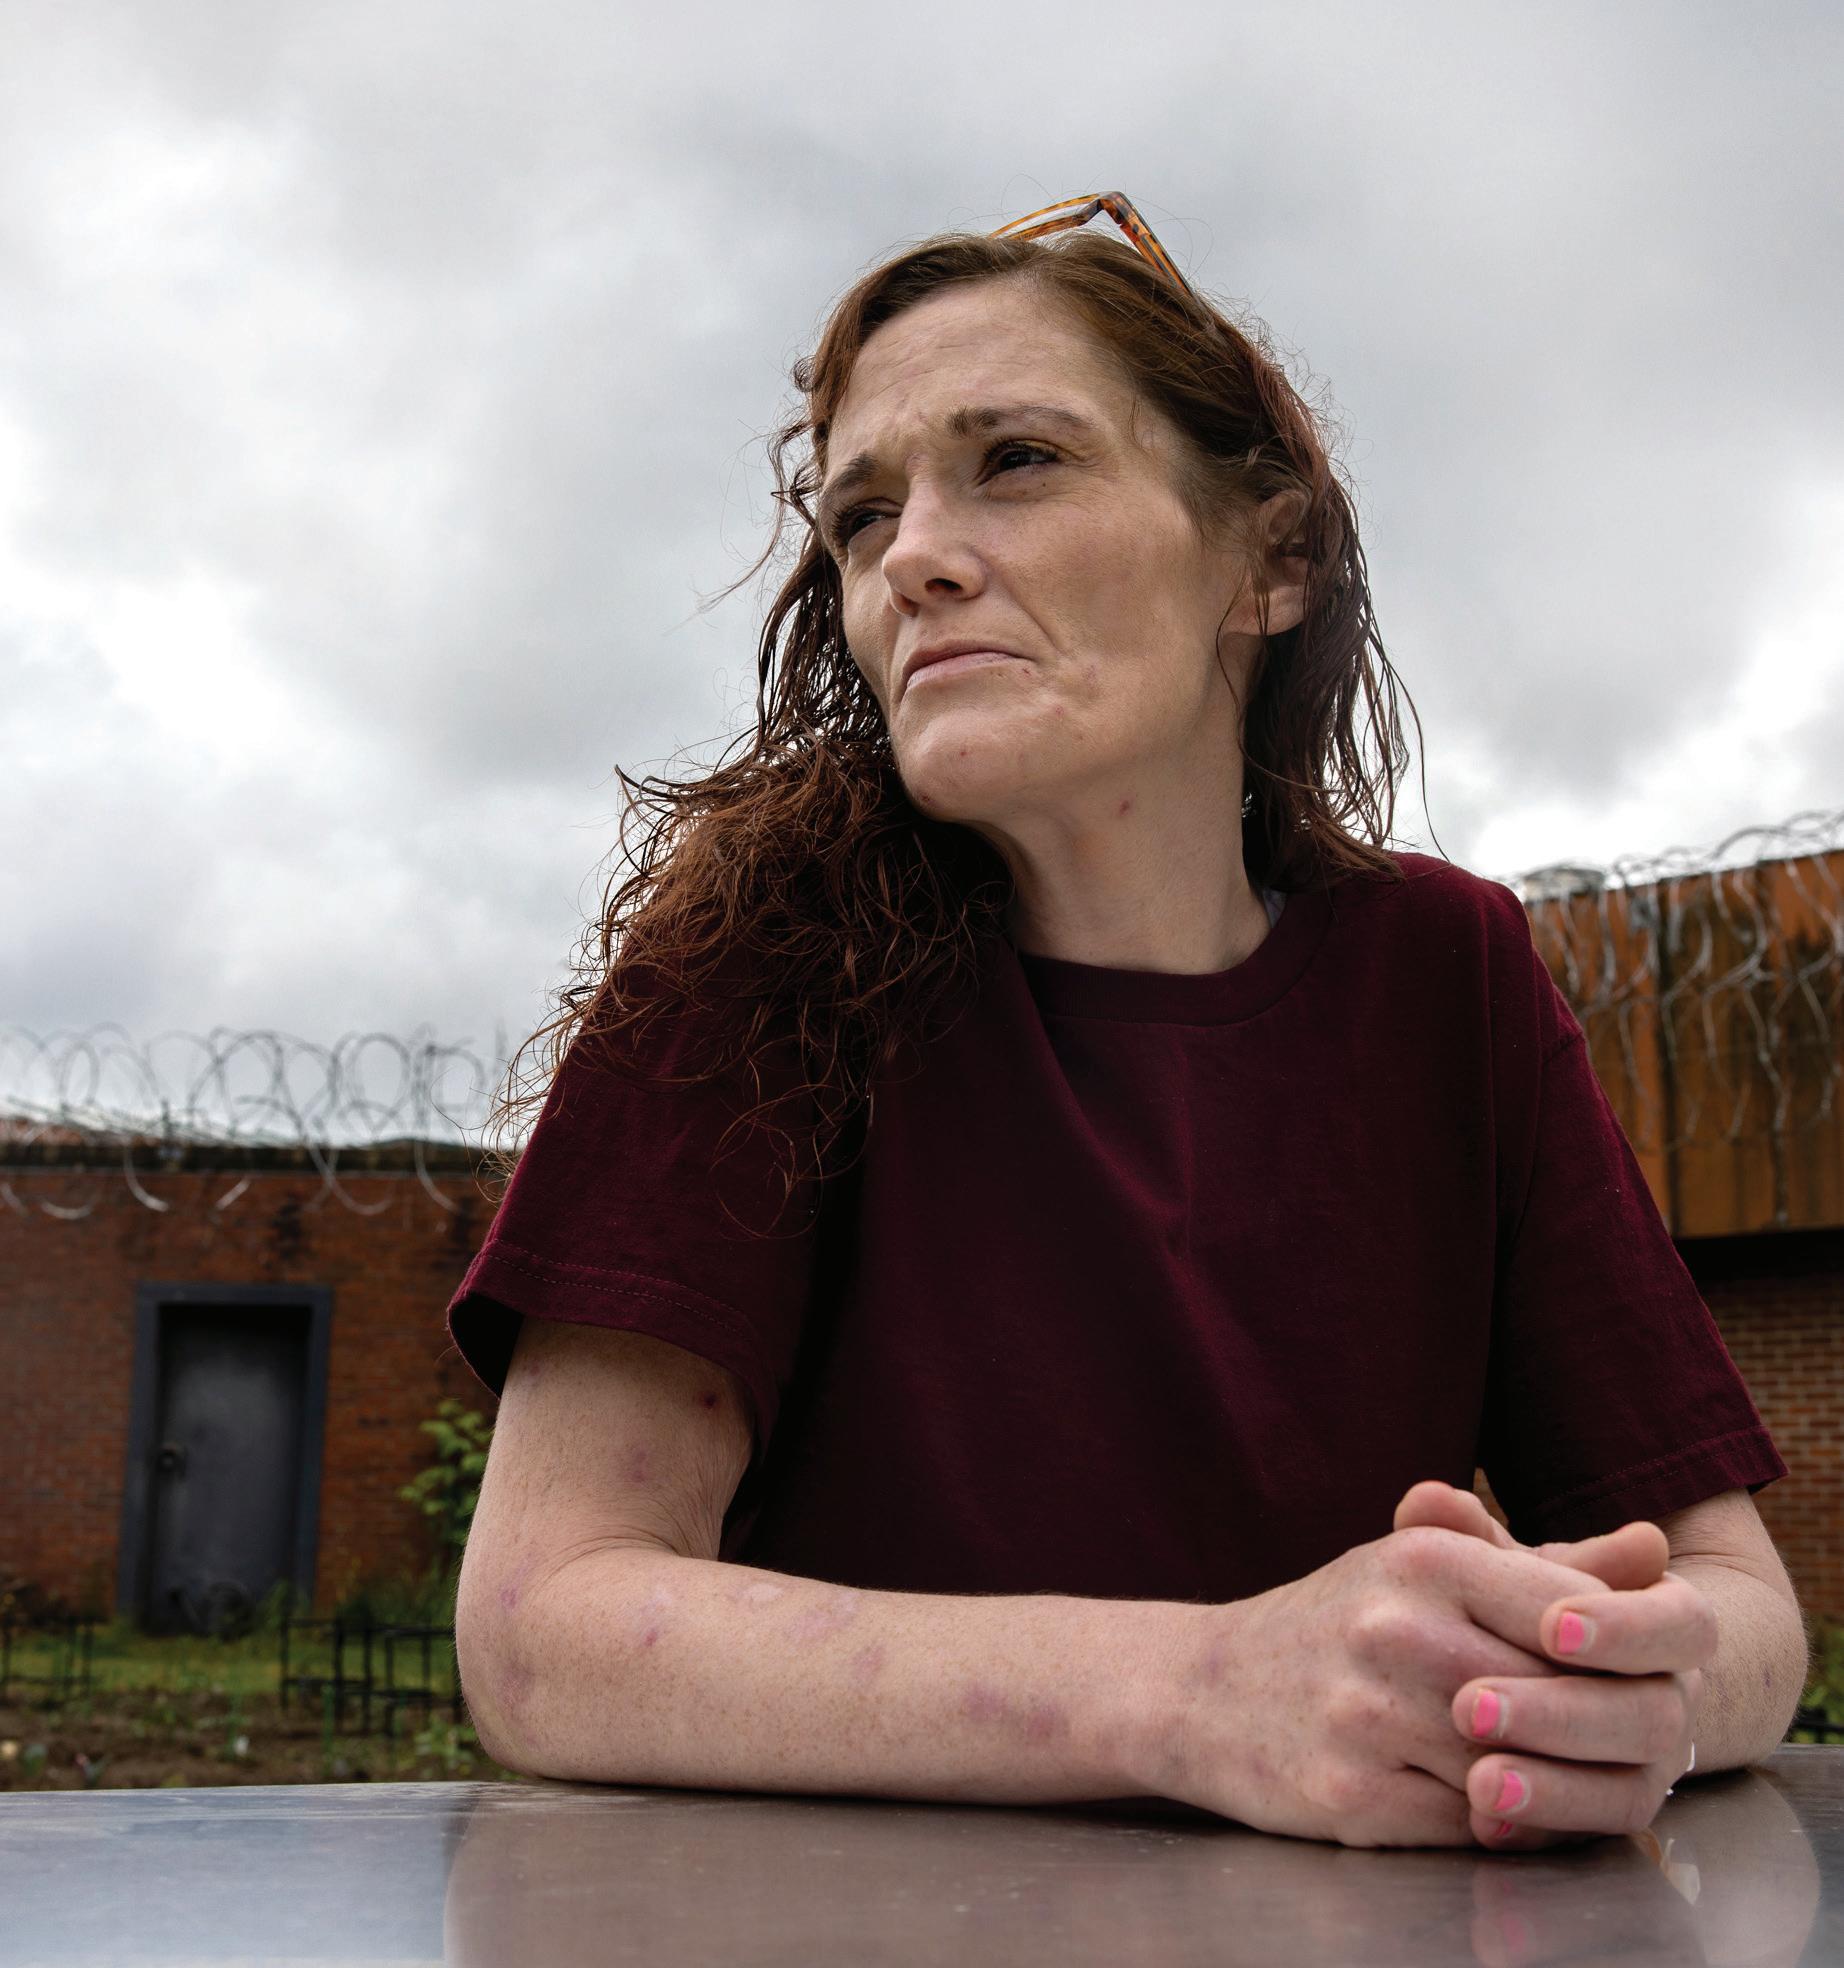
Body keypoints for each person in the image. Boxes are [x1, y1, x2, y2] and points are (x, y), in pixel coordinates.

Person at [443, 194, 1802, 1851]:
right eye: (862, 516)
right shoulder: (749, 962)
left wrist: (1603, 1689)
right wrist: (1201, 1691)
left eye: (1016, 459)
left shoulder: (1450, 977)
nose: (912, 559)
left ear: (1273, 560)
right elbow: (545, 1628)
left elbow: (1738, 1602)